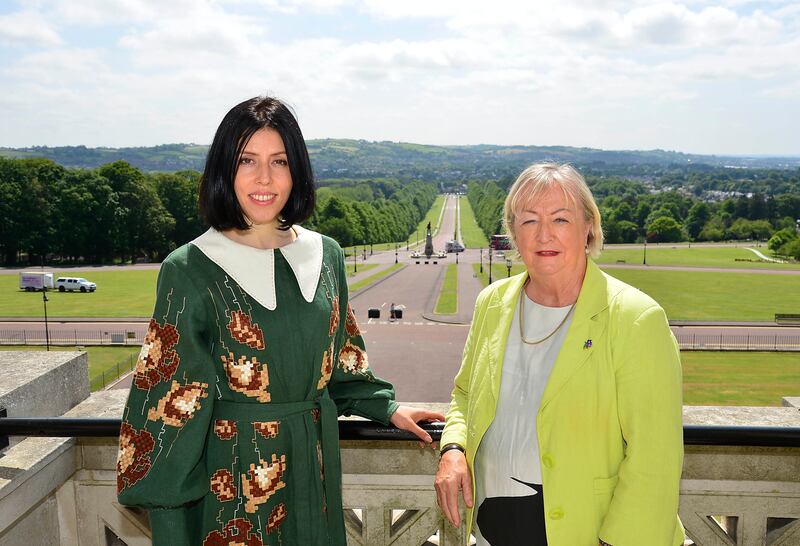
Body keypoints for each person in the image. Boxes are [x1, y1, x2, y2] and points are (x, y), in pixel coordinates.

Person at [116, 96, 443, 545]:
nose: (264, 178)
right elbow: (169, 407)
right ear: (224, 170)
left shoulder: (325, 254)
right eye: (247, 160)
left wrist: (385, 406)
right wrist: (173, 526)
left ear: (297, 171)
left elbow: (343, 363)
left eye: (279, 161)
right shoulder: (190, 267)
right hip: (233, 485)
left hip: (314, 469)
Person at [435, 163, 684, 546]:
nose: (544, 234)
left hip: (586, 532)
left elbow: (656, 456)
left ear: (588, 227)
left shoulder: (636, 318)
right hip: (491, 528)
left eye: (561, 219)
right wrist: (453, 447)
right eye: (529, 220)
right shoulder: (492, 303)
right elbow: (465, 394)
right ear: (514, 233)